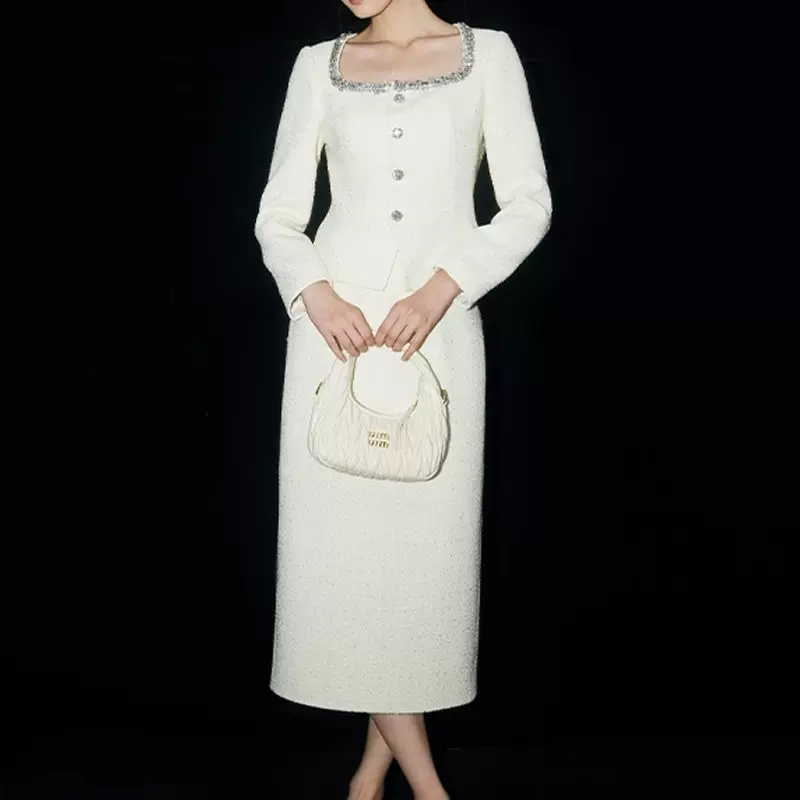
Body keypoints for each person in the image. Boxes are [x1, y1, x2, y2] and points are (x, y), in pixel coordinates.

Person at [254, 1, 552, 798]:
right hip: (335, 342)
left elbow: (528, 203)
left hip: (438, 336)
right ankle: (427, 788)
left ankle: (370, 775)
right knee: (348, 567)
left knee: (418, 574)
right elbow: (278, 215)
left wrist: (445, 285)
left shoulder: (488, 54)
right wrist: (313, 293)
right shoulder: (317, 64)